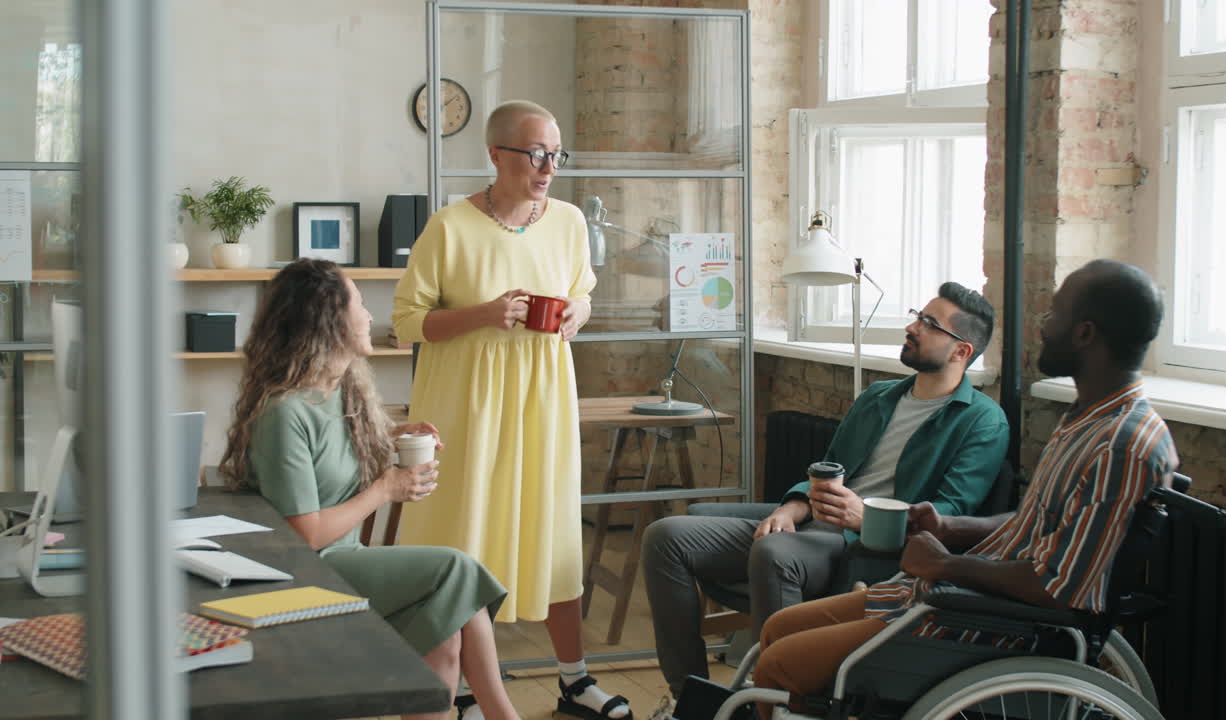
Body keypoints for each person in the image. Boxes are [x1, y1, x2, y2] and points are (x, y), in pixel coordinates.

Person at [749, 259, 1179, 718]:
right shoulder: (1087, 419)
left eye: (1054, 314)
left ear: (1085, 333)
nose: (1042, 325)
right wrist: (949, 525)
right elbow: (1037, 526)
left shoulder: (1121, 445)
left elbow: (1059, 588)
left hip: (982, 622)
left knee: (778, 665)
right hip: (950, 596)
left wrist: (946, 564)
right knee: (778, 629)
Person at [641, 282, 1009, 705]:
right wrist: (795, 506)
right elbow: (829, 467)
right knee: (665, 537)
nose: (912, 326)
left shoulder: (983, 422)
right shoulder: (878, 397)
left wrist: (868, 516)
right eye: (917, 315)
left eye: (929, 324)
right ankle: (689, 699)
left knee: (773, 552)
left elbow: (952, 514)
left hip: (872, 546)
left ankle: (773, 703)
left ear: (961, 351)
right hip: (818, 521)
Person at [391, 100, 630, 720]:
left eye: (556, 153)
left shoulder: (571, 222)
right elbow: (406, 323)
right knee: (466, 534)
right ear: (495, 155)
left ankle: (574, 680)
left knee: (552, 533)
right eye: (535, 153)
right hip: (467, 405)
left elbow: (581, 290)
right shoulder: (449, 226)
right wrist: (484, 313)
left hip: (542, 401)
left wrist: (581, 310)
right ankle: (465, 687)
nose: (548, 165)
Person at [218, 259, 520, 720]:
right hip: (309, 573)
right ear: (329, 319)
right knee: (454, 572)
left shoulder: (340, 391)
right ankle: (503, 715)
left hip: (344, 560)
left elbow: (336, 462)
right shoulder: (285, 414)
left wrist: (393, 438)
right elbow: (306, 536)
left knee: (445, 633)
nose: (369, 314)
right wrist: (386, 489)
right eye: (358, 302)